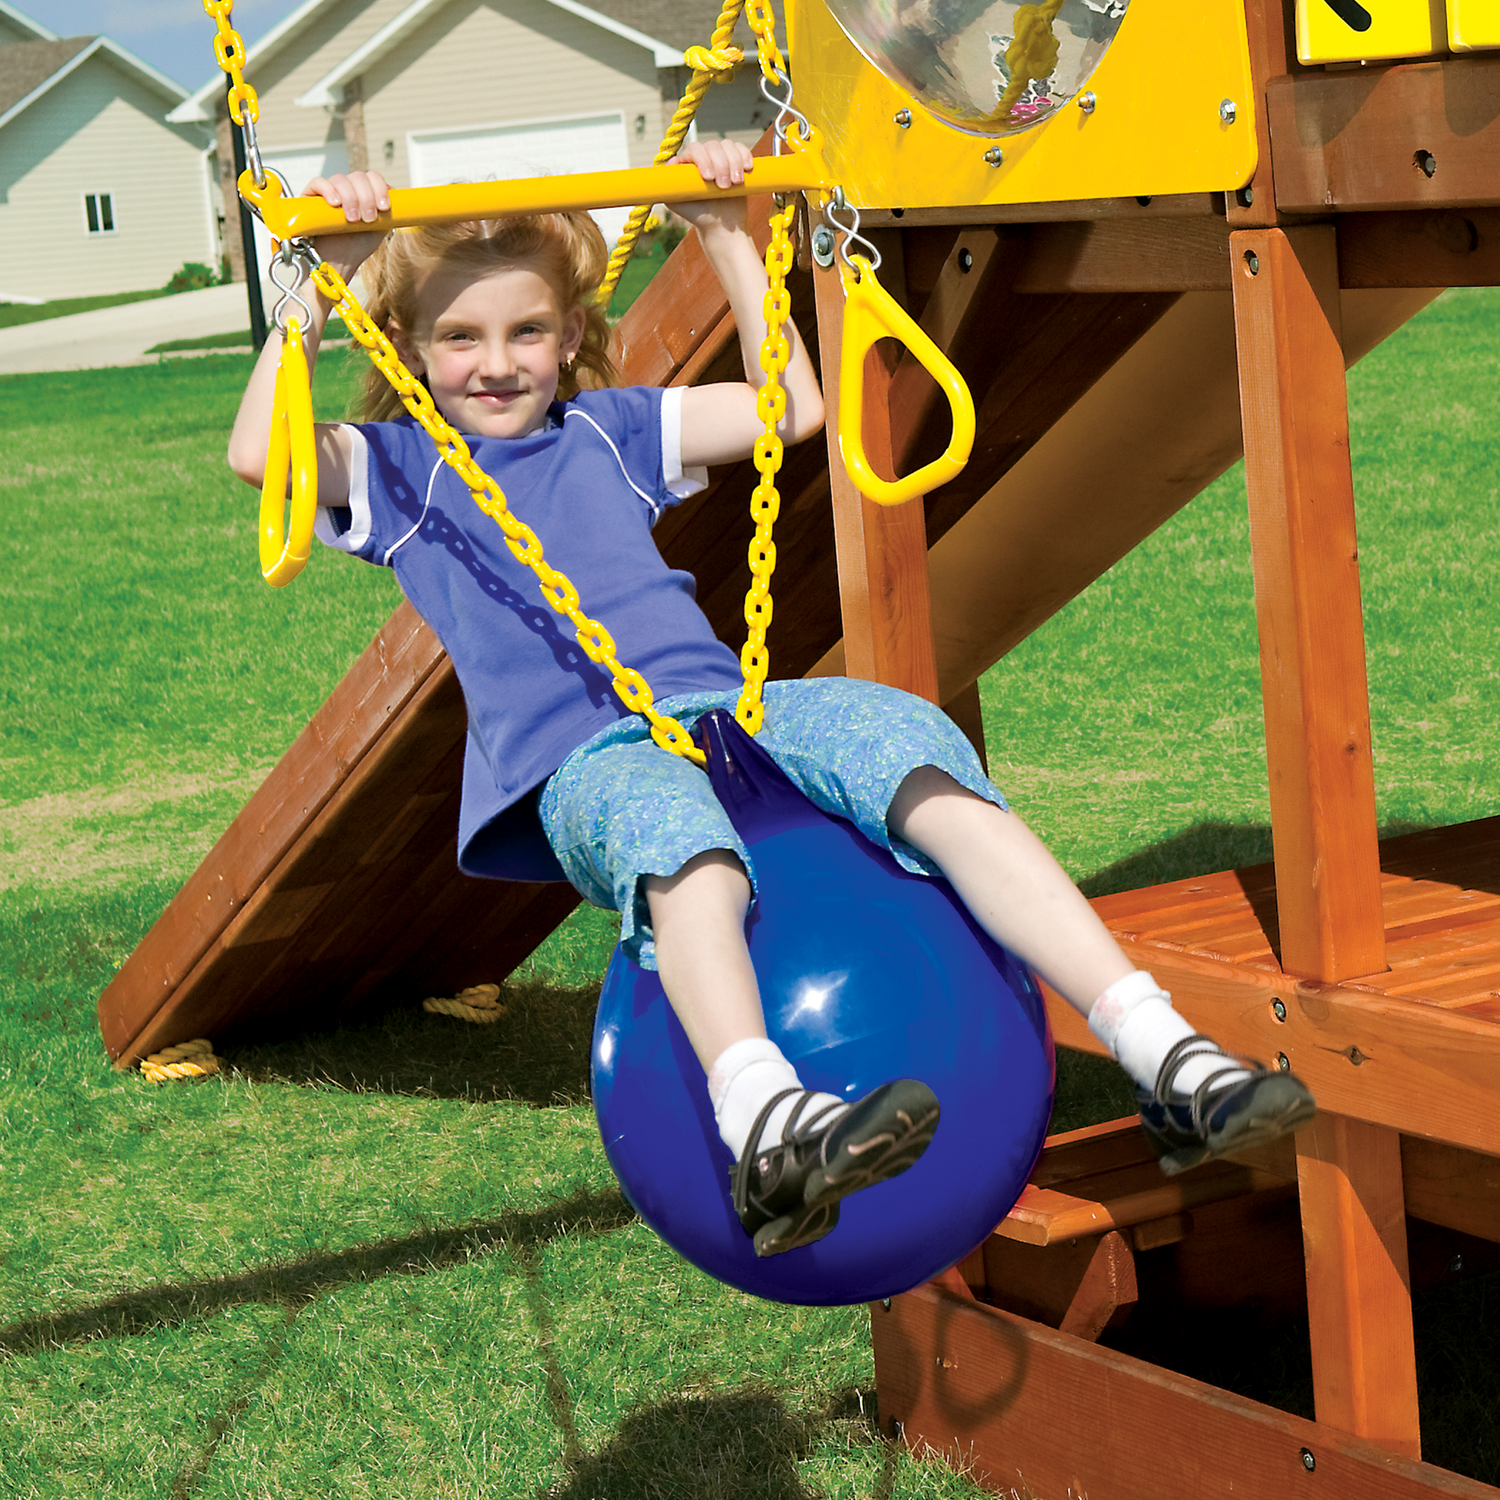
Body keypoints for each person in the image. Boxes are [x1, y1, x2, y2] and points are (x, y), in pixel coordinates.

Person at [229, 141, 1314, 1260]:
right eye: (459, 337)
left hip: (730, 712)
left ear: (568, 337)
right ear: (407, 347)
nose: (495, 365)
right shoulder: (401, 469)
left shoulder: (607, 429)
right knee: (679, 842)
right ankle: (768, 1130)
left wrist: (725, 237)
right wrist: (328, 283)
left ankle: (1167, 1056)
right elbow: (259, 452)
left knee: (907, 743)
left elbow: (783, 407)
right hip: (584, 765)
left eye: (526, 333)